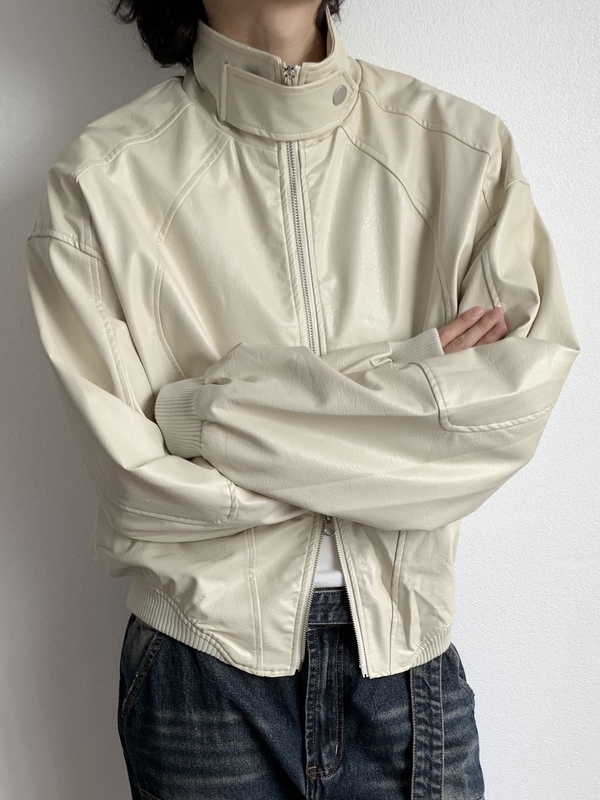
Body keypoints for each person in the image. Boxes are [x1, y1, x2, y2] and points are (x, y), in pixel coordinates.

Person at [24, 0, 580, 797]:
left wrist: (200, 414)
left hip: (406, 665)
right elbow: (139, 490)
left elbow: (504, 416)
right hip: (202, 668)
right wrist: (413, 381)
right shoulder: (99, 183)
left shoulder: (464, 153)